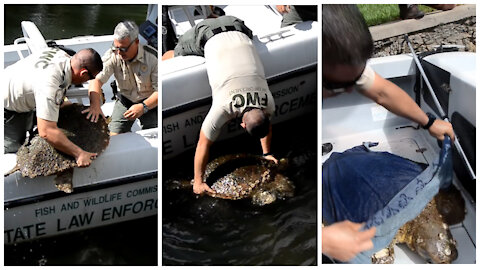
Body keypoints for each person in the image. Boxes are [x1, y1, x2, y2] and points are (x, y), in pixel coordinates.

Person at [322, 4, 455, 262]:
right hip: (335, 180)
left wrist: (430, 123)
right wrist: (325, 239)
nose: (352, 91)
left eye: (357, 79)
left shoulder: (340, 62)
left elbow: (381, 91)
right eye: (340, 85)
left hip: (370, 168)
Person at [163, 15, 277, 195]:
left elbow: (265, 123)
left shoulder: (268, 101)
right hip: (205, 33)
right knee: (174, 54)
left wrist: (266, 154)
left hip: (236, 24)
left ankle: (215, 17)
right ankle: (165, 57)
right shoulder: (223, 107)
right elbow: (202, 144)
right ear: (242, 125)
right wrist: (198, 182)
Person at [4, 47, 103, 167]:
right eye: (91, 78)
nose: (91, 80)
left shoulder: (61, 55)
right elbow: (46, 131)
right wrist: (79, 153)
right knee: (11, 151)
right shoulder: (50, 86)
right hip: (7, 106)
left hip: (16, 88)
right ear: (83, 73)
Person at [85, 20, 158, 135]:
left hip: (149, 103)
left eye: (123, 49)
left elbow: (159, 91)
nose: (119, 52)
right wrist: (95, 106)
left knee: (154, 135)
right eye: (116, 47)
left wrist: (143, 107)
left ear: (136, 42)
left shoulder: (152, 58)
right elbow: (96, 80)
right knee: (113, 138)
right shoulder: (113, 54)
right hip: (125, 100)